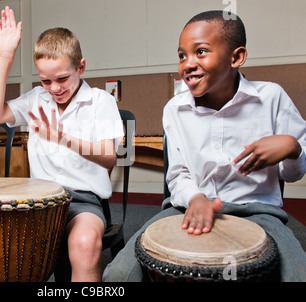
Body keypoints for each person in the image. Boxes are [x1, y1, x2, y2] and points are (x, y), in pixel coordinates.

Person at [103, 10, 306, 282]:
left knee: (297, 274)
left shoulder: (271, 97)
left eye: (200, 51)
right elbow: (177, 175)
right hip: (187, 207)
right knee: (117, 274)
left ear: (236, 57)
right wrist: (195, 198)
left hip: (259, 211)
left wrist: (292, 148)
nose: (187, 63)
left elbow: (293, 173)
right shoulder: (175, 109)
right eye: (182, 55)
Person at [0, 6, 123, 282]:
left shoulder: (100, 101)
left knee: (85, 245)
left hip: (84, 200)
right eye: (46, 80)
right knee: (2, 246)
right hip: (41, 201)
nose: (55, 88)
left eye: (62, 79)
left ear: (80, 67)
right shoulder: (37, 98)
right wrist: (5, 55)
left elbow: (109, 157)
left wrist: (63, 138)